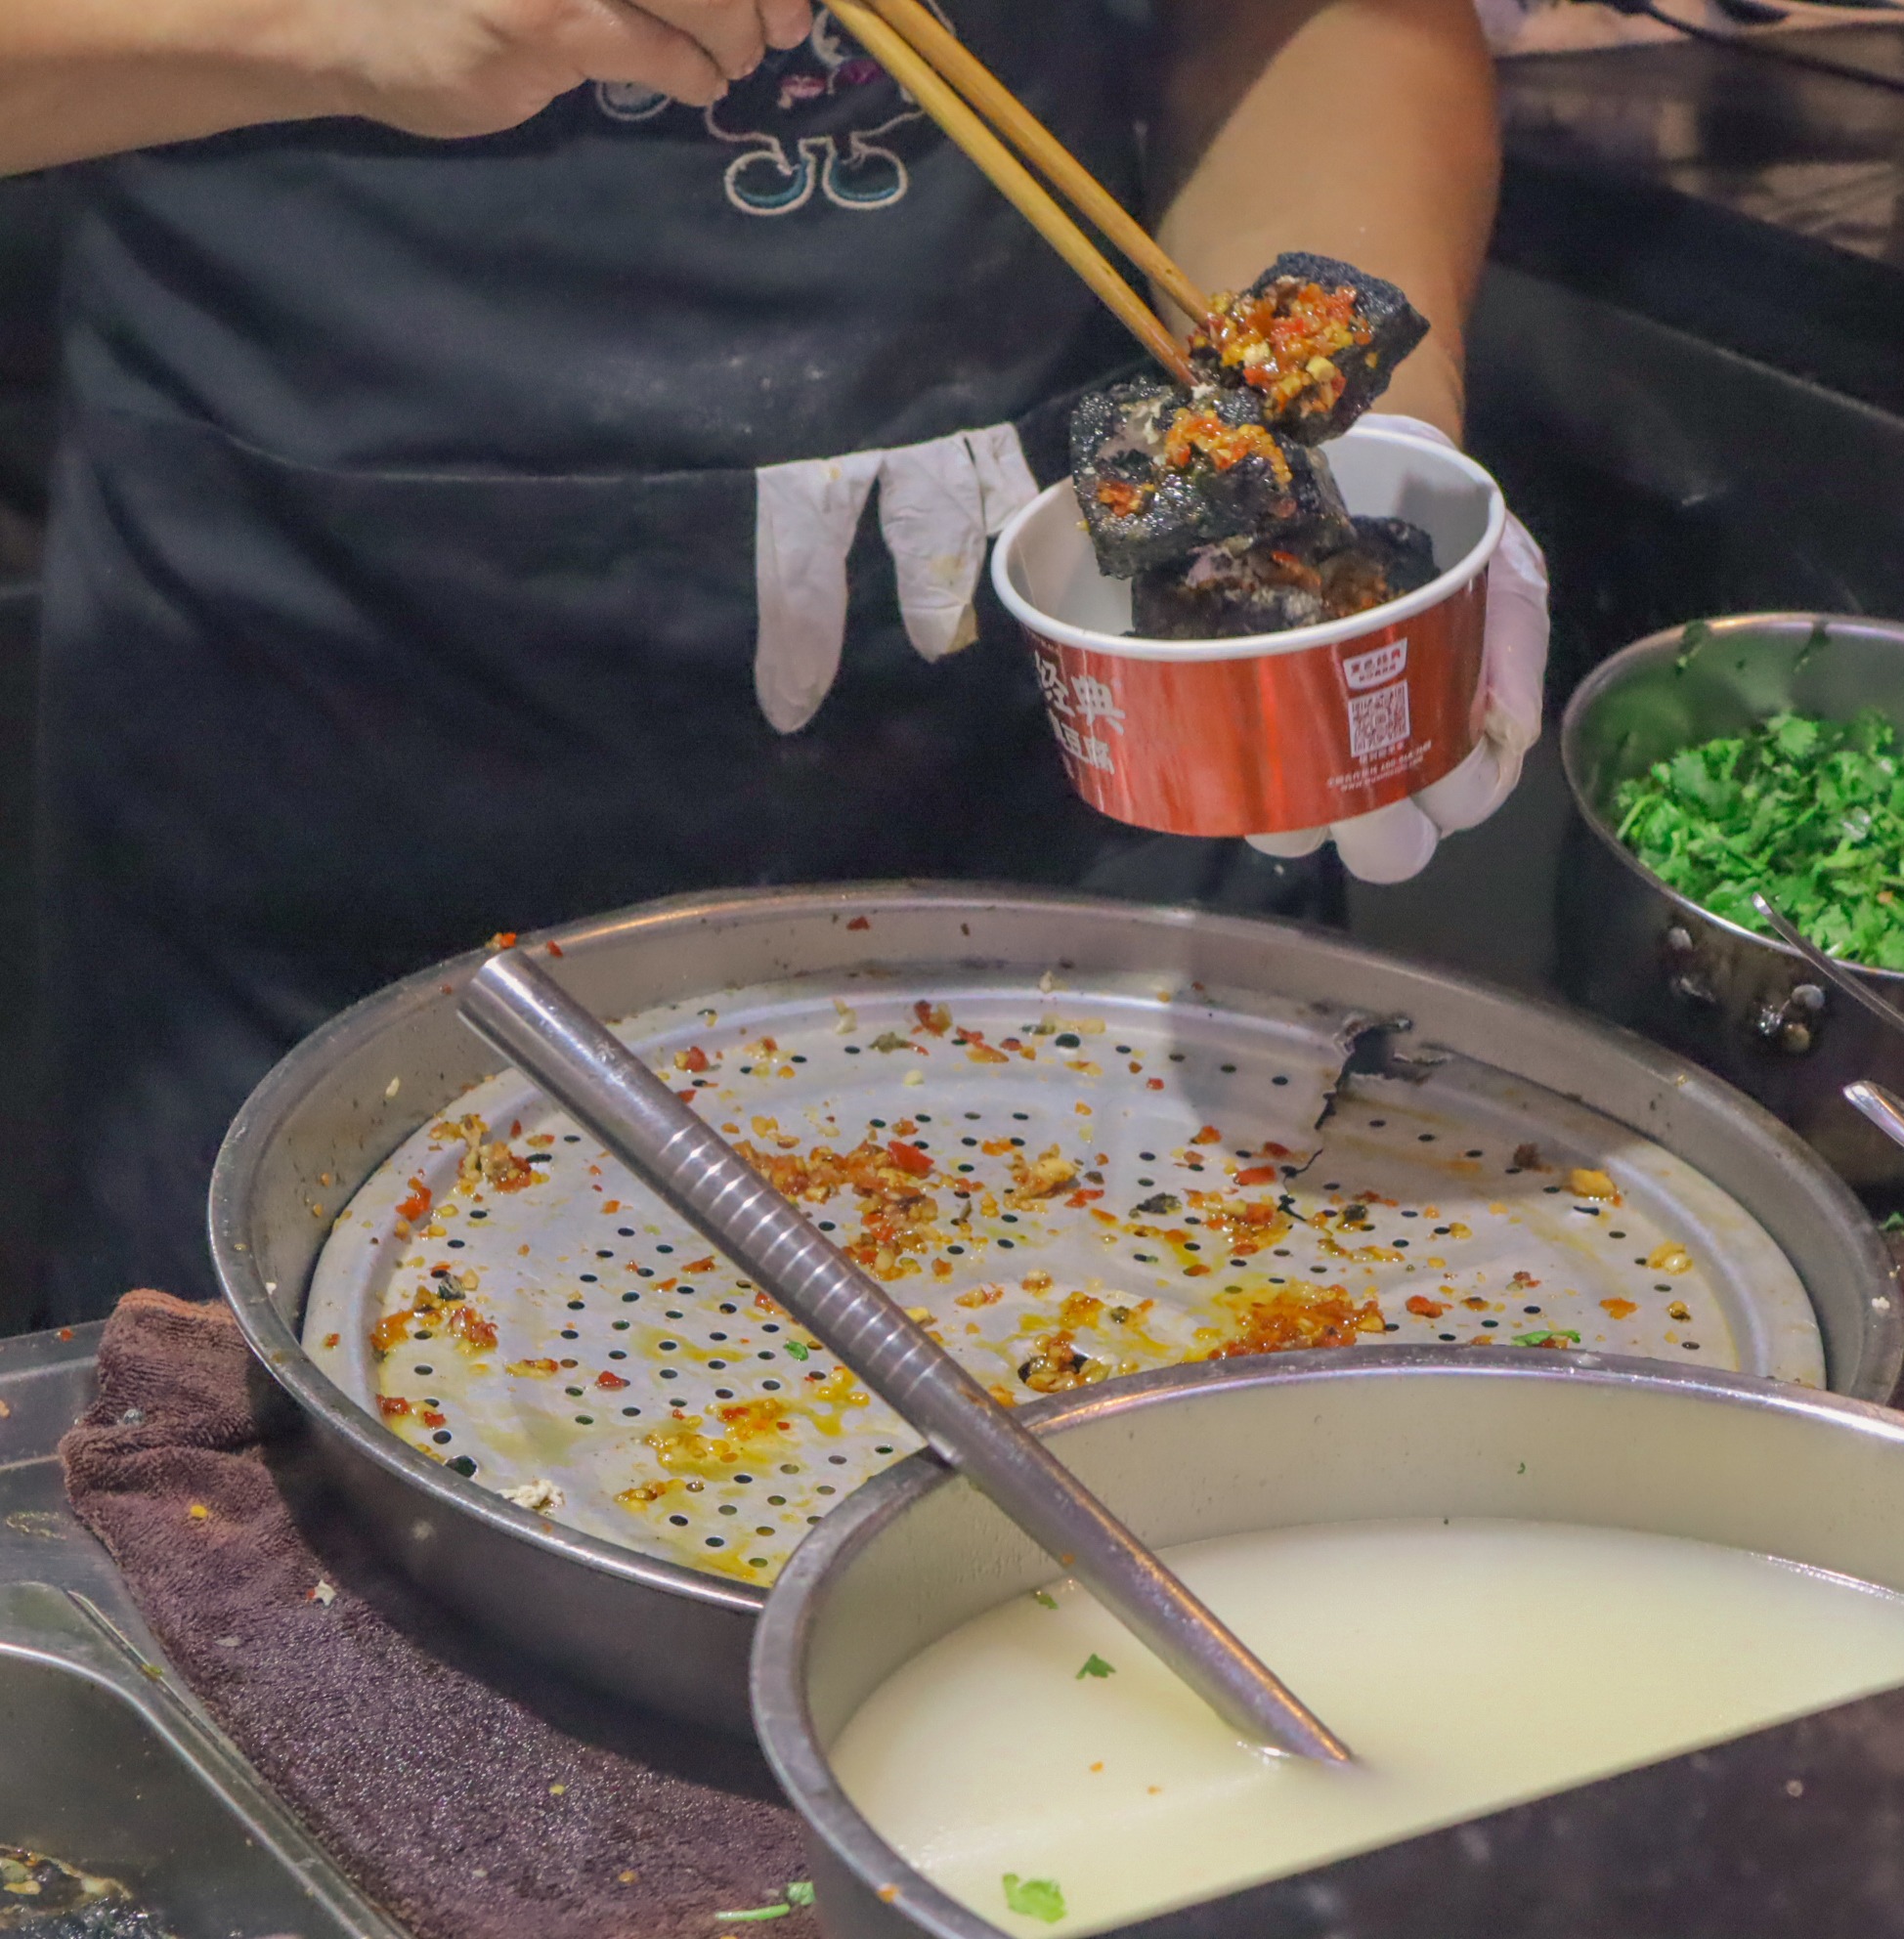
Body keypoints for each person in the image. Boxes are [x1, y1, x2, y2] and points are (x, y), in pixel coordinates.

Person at [3, 0, 1536, 1324]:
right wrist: (312, 23)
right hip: (321, 738)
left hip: (1044, 750)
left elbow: (1305, 23)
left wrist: (1360, 457)